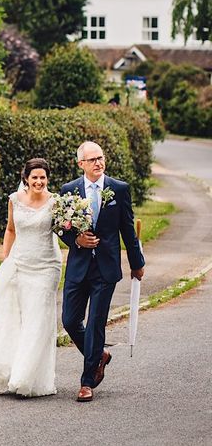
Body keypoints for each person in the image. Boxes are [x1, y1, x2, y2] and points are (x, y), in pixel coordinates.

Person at [0, 158, 62, 397]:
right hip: (19, 264)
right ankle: (9, 369)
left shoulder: (56, 202)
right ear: (26, 179)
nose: (39, 181)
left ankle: (25, 377)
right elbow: (10, 230)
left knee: (38, 320)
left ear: (47, 178)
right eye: (35, 177)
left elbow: (65, 232)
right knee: (14, 319)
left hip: (46, 267)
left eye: (43, 177)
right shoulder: (14, 200)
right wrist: (6, 259)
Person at [60, 141, 145, 403]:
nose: (98, 163)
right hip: (78, 267)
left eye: (101, 158)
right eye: (92, 159)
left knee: (96, 322)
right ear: (81, 164)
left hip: (106, 268)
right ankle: (99, 356)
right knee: (69, 320)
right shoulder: (69, 190)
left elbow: (128, 229)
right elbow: (60, 227)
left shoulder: (118, 189)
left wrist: (136, 262)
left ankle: (87, 383)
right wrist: (76, 240)